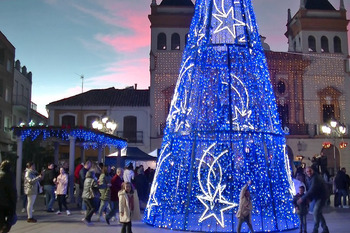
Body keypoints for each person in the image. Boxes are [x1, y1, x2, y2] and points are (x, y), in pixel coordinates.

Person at [298, 166, 329, 233]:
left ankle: (315, 230)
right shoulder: (308, 178)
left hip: (322, 197)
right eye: (307, 171)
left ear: (312, 171)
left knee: (316, 212)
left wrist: (303, 198)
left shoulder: (316, 178)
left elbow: (312, 189)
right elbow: (311, 189)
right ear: (305, 172)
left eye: (310, 171)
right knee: (318, 213)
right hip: (317, 197)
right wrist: (310, 198)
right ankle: (325, 229)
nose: (309, 173)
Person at [0, 160, 17, 232]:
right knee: (10, 219)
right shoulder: (9, 175)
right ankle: (4, 229)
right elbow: (12, 191)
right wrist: (14, 202)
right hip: (6, 202)